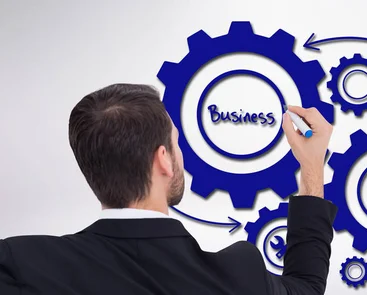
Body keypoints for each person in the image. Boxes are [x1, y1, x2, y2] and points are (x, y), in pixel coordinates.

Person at [0, 83, 337, 295]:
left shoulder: (20, 265)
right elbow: (305, 288)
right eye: (176, 142)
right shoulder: (239, 275)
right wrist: (311, 167)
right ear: (162, 159)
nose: (180, 154)